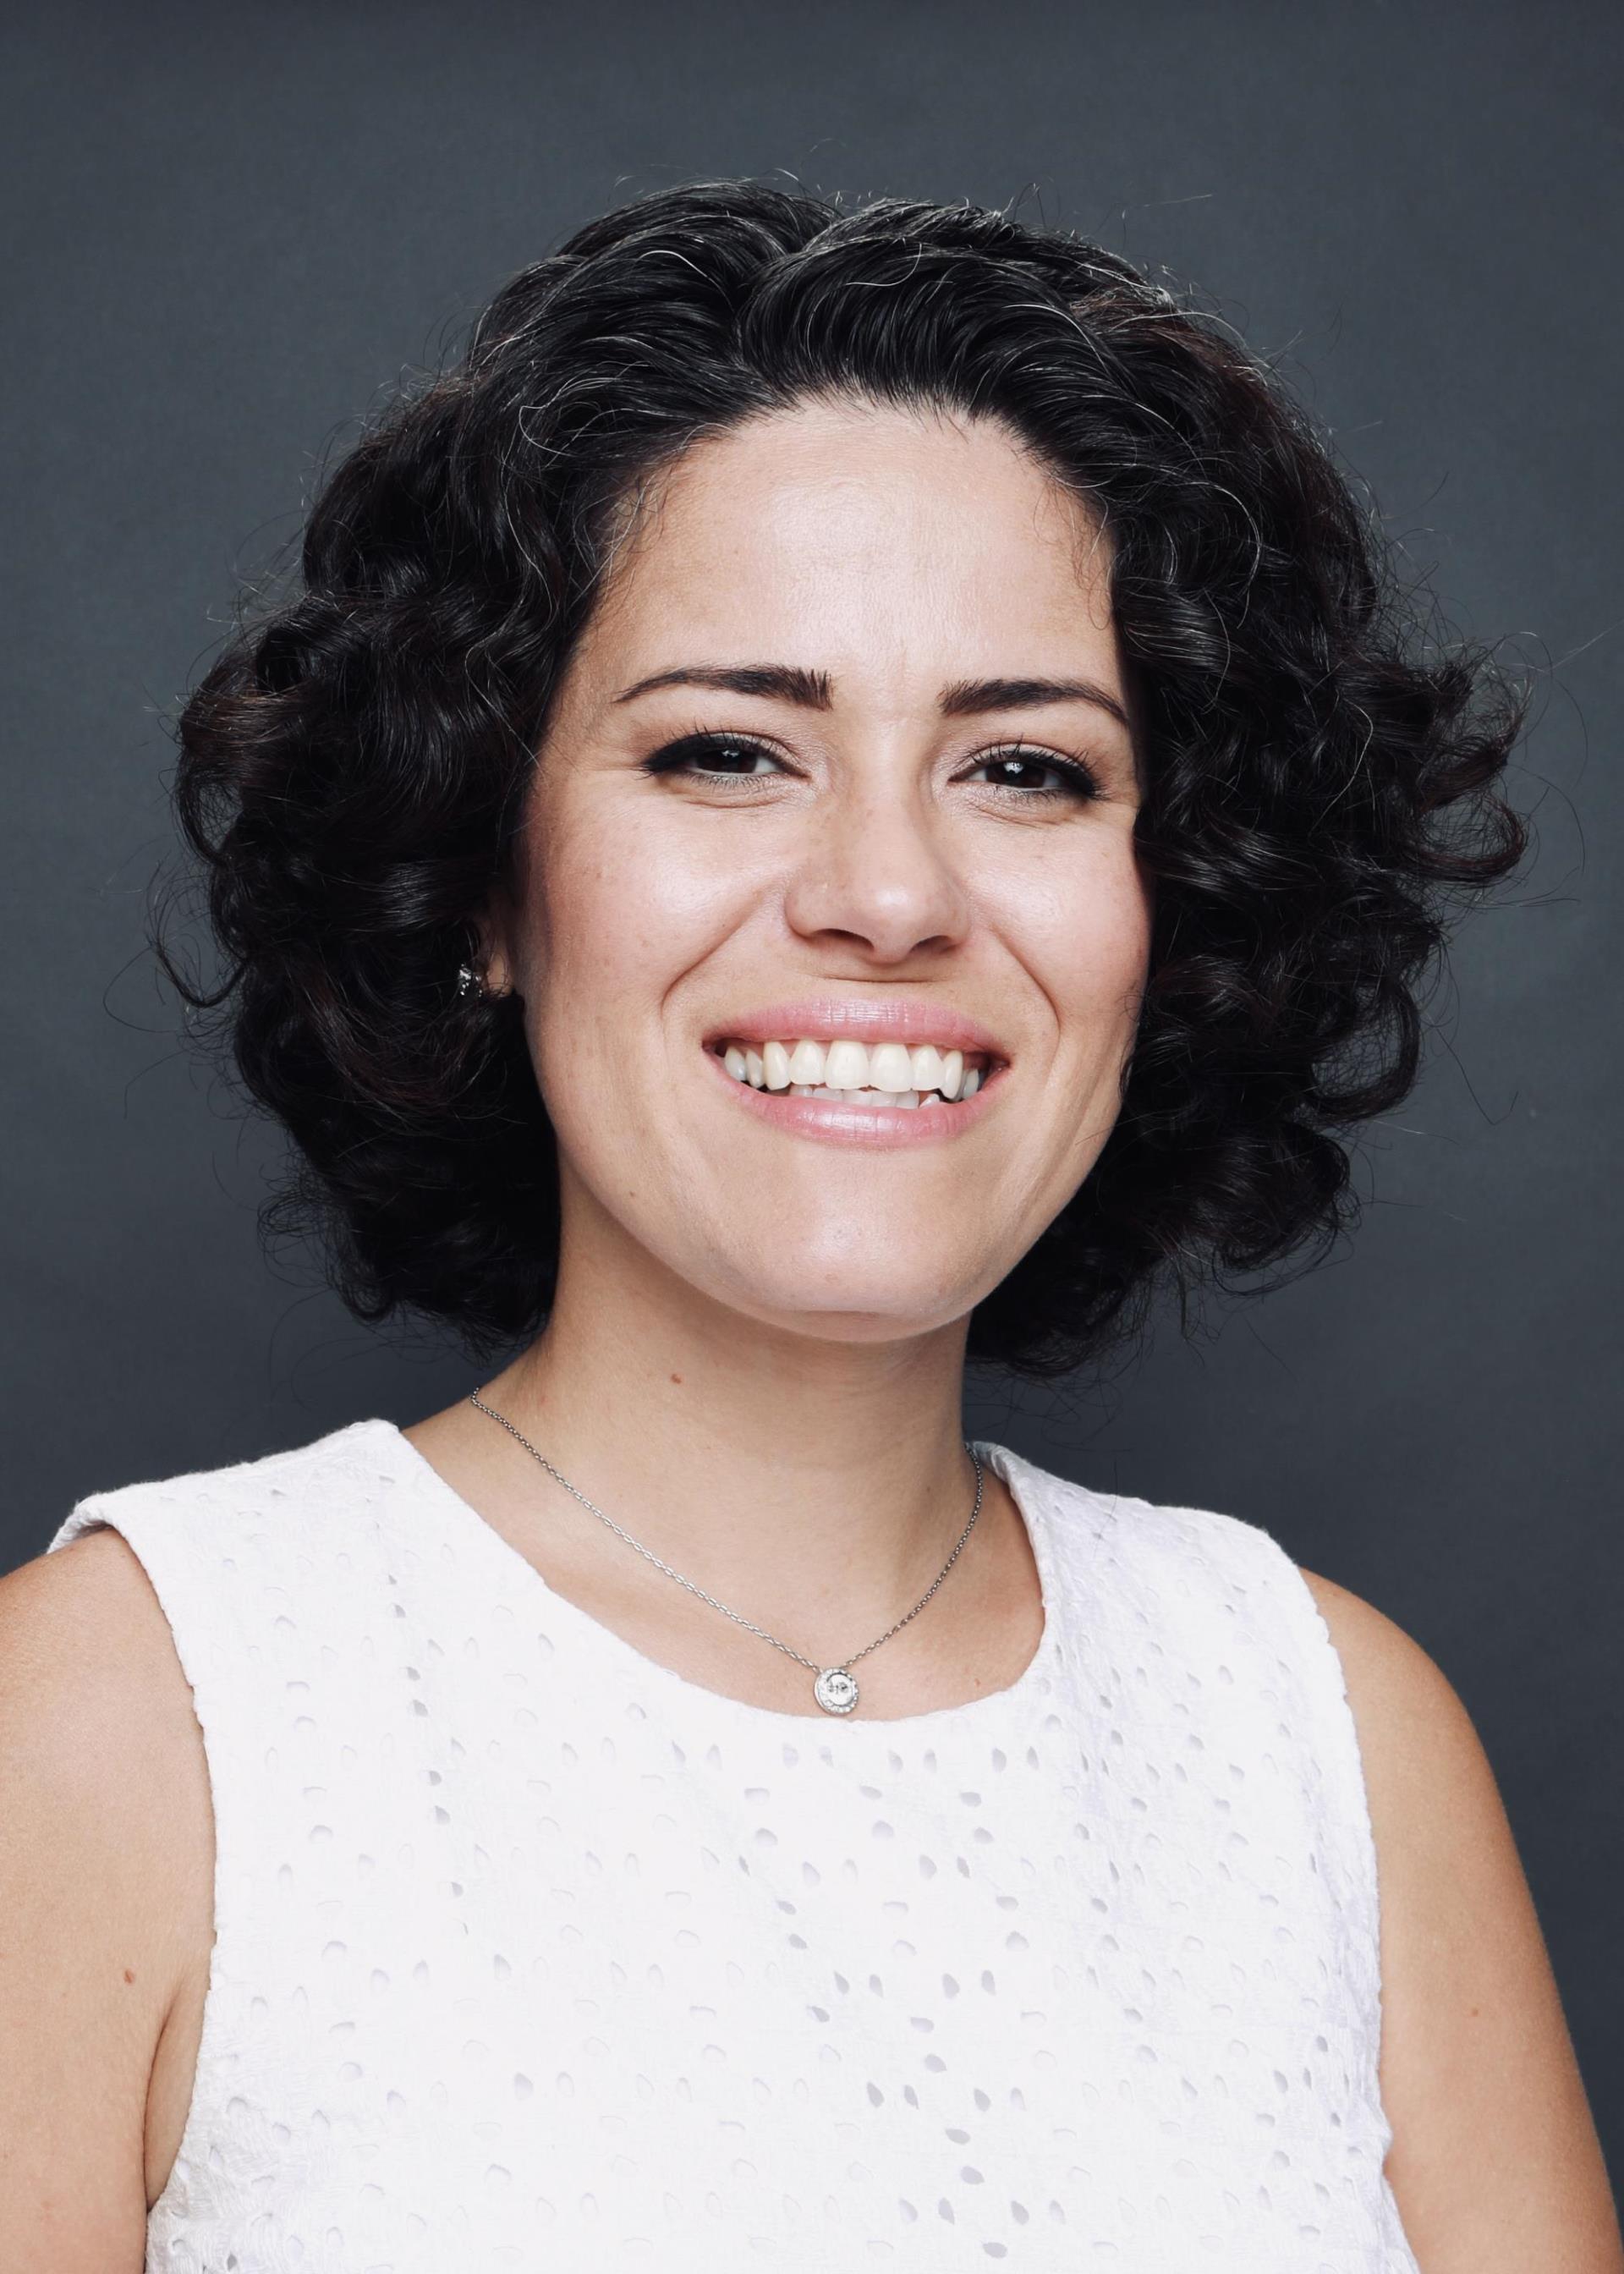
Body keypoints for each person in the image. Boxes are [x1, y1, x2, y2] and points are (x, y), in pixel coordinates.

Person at [2, 178, 1616, 2274]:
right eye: (728, 751)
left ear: (1171, 904)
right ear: (488, 884)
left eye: (1028, 769)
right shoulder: (112, 1722)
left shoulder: (1329, 1737)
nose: (890, 893)